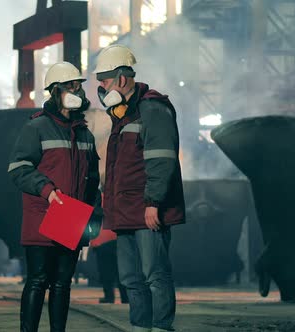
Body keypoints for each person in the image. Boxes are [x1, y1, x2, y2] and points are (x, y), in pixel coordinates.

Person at [94, 45, 186, 332]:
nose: (101, 88)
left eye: (105, 82)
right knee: (131, 278)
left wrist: (153, 202)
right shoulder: (122, 114)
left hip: (147, 210)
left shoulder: (152, 108)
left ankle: (160, 327)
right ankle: (140, 327)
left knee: (155, 275)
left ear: (121, 80)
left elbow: (162, 159)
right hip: (124, 212)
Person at [8, 61, 99, 332]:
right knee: (38, 279)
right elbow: (18, 168)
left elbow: (92, 178)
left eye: (79, 86)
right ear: (56, 91)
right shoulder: (36, 128)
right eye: (72, 86)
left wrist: (92, 213)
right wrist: (47, 190)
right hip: (44, 214)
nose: (78, 91)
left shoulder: (84, 133)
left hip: (71, 216)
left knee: (62, 282)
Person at [90, 227, 129, 304]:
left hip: (103, 238)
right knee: (122, 270)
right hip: (119, 235)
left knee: (106, 271)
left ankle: (109, 297)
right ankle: (125, 297)